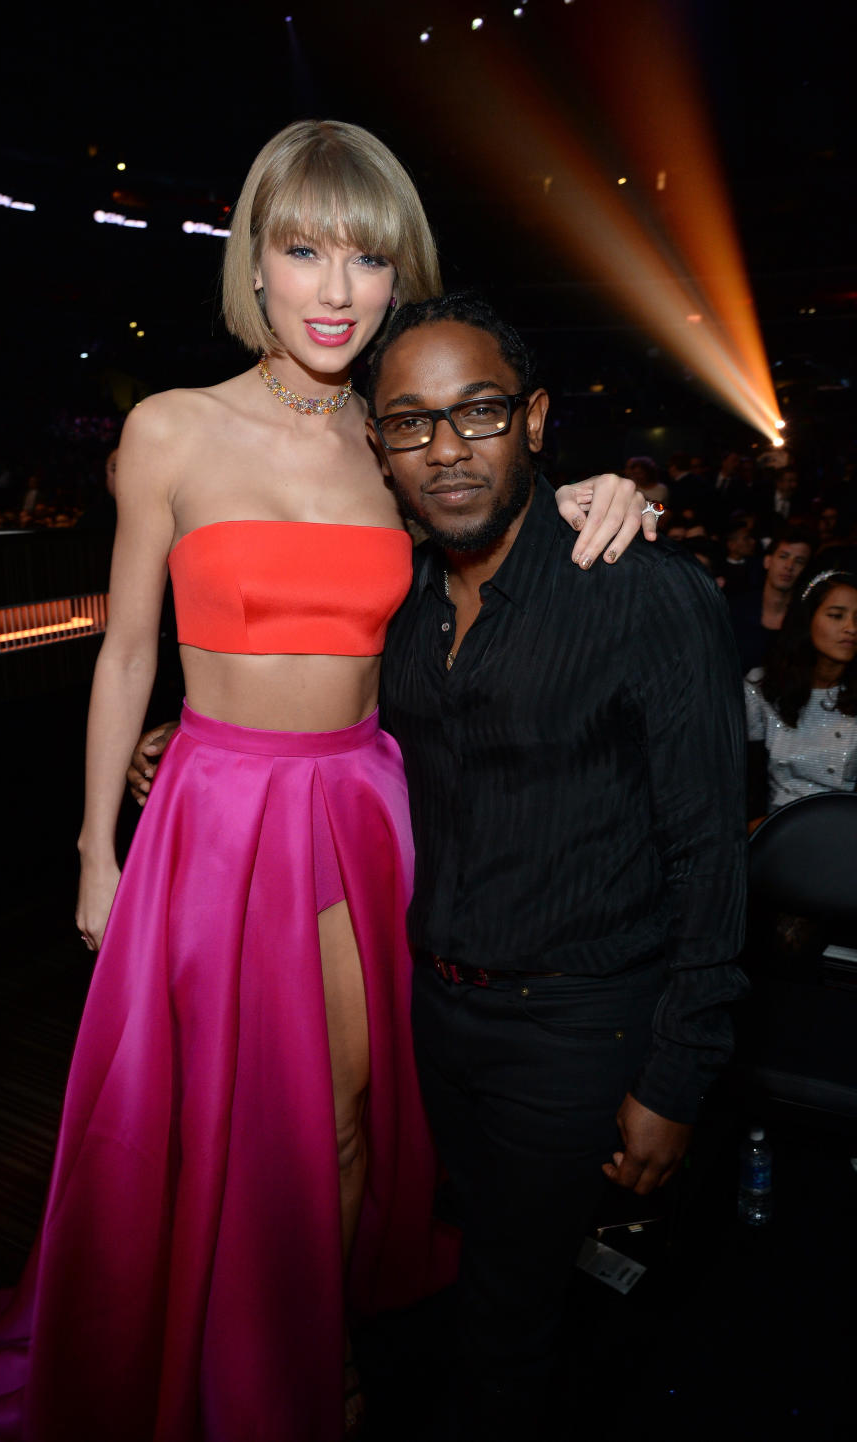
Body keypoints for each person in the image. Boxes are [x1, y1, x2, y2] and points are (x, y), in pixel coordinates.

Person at [0, 124, 654, 1442]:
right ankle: (220, 1356)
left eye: (366, 256)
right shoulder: (172, 430)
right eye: (304, 248)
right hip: (211, 812)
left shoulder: (402, 441)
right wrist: (95, 846)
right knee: (211, 1125)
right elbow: (128, 644)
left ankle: (313, 1350)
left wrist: (607, 493)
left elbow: (509, 500)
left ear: (395, 277)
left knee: (349, 1115)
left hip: (364, 809)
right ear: (254, 262)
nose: (333, 285)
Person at [367, 293, 747, 1438]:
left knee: (508, 1312)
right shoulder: (397, 604)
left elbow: (711, 851)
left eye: (478, 412)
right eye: (411, 423)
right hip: (435, 1017)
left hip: (579, 1024)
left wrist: (677, 1075)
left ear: (534, 419)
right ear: (379, 449)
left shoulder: (642, 592)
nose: (446, 447)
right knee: (459, 1273)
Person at [745, 569, 857, 825]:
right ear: (808, 620)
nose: (851, 628)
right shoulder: (762, 688)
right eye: (836, 616)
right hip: (778, 828)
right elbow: (746, 777)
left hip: (846, 830)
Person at [727, 525, 814, 675]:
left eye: (799, 561)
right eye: (783, 556)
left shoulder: (808, 618)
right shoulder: (736, 609)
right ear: (768, 561)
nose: (789, 566)